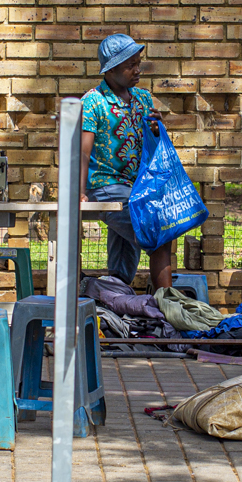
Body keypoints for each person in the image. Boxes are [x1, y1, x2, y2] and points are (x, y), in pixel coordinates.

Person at [79, 33, 175, 290]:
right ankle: (168, 303)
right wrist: (79, 193)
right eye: (130, 65)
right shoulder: (93, 102)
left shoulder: (142, 99)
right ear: (110, 70)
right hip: (105, 187)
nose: (137, 70)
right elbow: (83, 153)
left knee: (124, 253)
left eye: (138, 62)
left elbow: (151, 147)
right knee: (157, 233)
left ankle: (116, 298)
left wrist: (157, 130)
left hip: (136, 187)